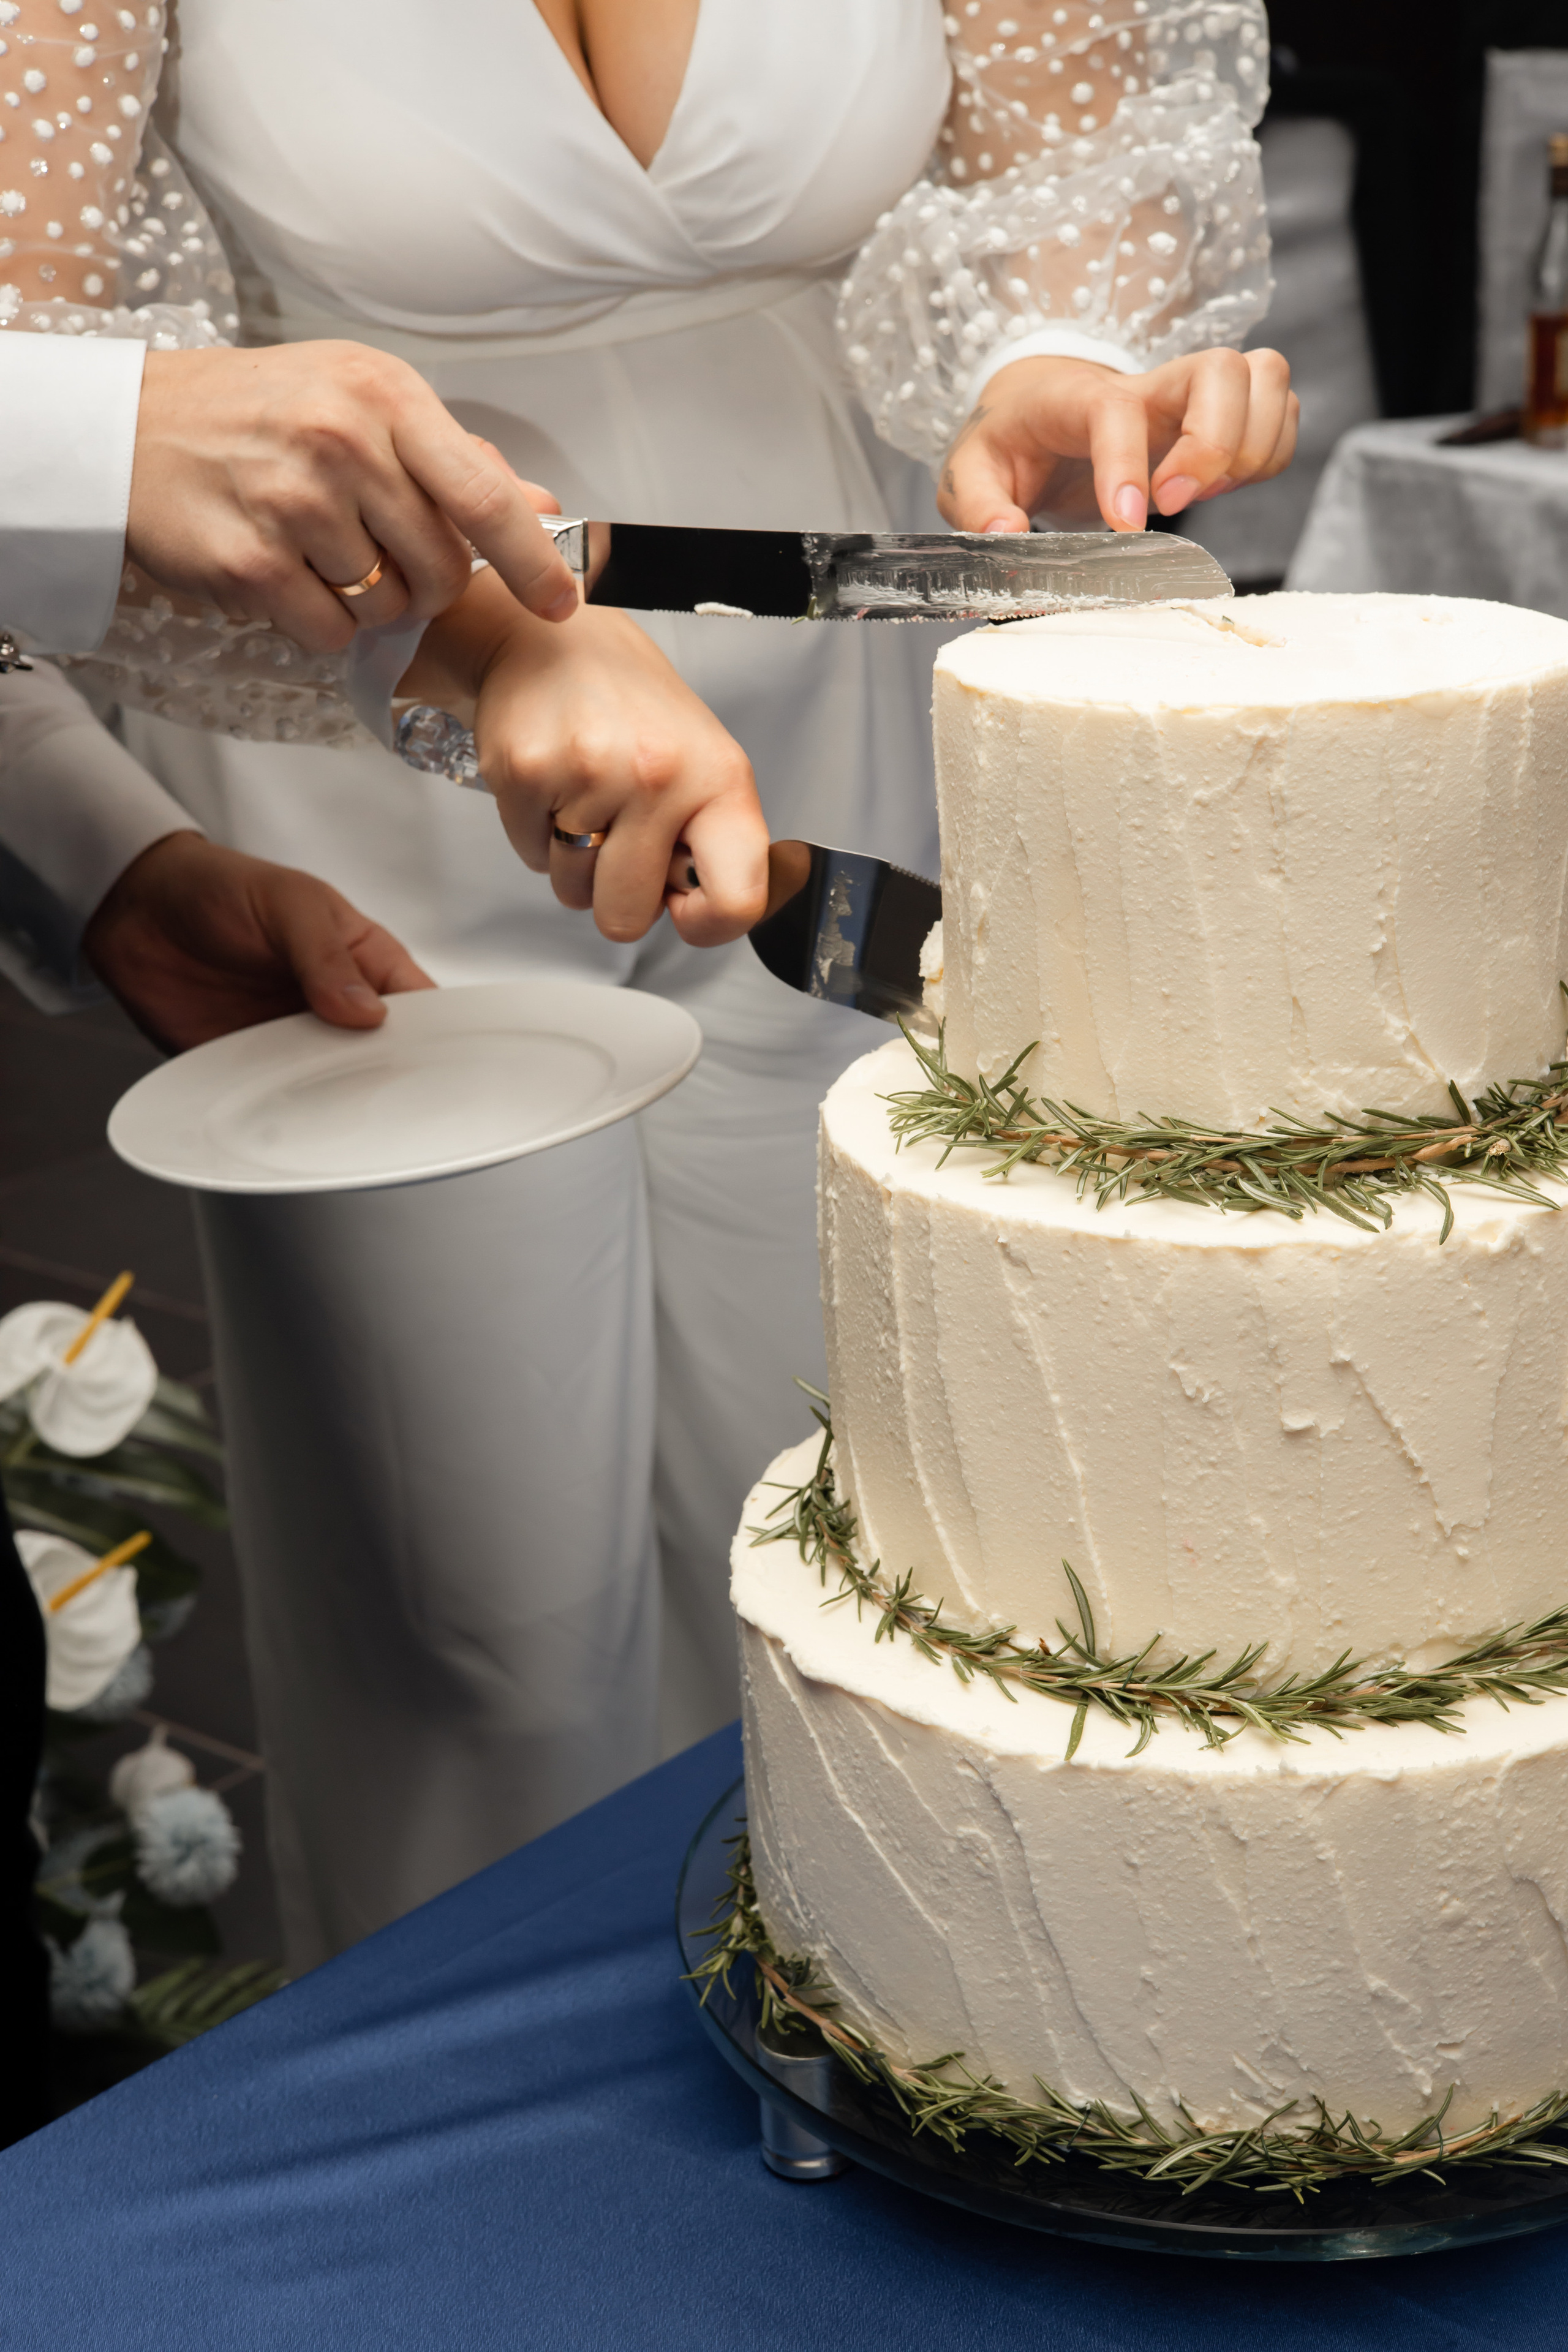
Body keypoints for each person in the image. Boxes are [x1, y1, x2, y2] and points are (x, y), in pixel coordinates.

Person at [0, 0, 1295, 1973]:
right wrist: (453, 647)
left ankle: (876, 2085)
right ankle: (481, 2191)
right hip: (363, 720)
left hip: (837, 715)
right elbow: (51, 386)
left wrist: (1068, 367)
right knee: (480, 1635)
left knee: (875, 1503)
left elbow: (1064, 159)